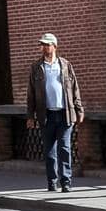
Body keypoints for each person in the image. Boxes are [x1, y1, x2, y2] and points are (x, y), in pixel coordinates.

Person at [26, 31, 84, 193]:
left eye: (47, 45)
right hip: (46, 115)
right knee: (50, 151)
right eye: (43, 45)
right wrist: (30, 116)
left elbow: (74, 89)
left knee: (64, 148)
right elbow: (31, 94)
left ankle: (66, 182)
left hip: (65, 113)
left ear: (55, 46)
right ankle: (52, 181)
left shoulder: (65, 65)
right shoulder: (36, 67)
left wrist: (79, 109)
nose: (44, 48)